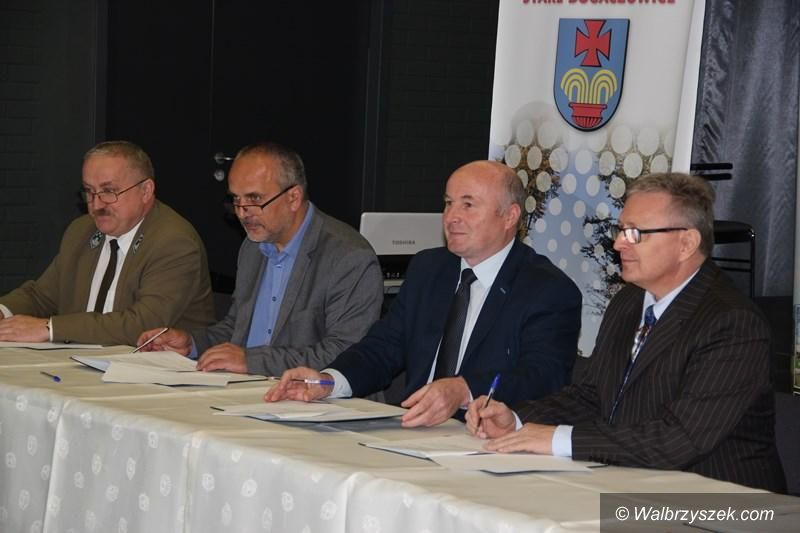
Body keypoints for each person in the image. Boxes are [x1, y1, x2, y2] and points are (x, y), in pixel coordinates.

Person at [466, 172, 786, 492]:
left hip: (721, 499)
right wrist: (516, 420)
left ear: (686, 243)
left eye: (635, 233)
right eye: (620, 230)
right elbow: (593, 396)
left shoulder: (732, 323)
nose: (619, 243)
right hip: (633, 482)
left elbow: (678, 439)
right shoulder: (629, 301)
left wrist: (558, 439)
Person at [265, 160, 582, 428]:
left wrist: (464, 389)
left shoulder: (547, 289)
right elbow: (384, 346)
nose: (451, 217)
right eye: (448, 203)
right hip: (413, 430)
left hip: (484, 438)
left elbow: (542, 376)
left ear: (509, 217)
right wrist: (329, 381)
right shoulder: (429, 269)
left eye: (468, 205)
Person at [136, 141, 383, 376]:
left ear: (293, 198)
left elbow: (347, 354)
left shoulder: (348, 258)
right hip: (250, 388)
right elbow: (237, 329)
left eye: (254, 199)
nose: (243, 213)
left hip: (317, 398)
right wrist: (192, 344)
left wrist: (252, 361)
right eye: (236, 199)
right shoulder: (253, 247)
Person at [0, 141, 215, 346]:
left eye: (109, 191)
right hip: (81, 360)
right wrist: (3, 311)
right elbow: (41, 296)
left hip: (155, 365)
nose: (96, 204)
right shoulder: (81, 230)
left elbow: (142, 324)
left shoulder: (173, 242)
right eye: (89, 191)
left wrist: (51, 328)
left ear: (146, 191)